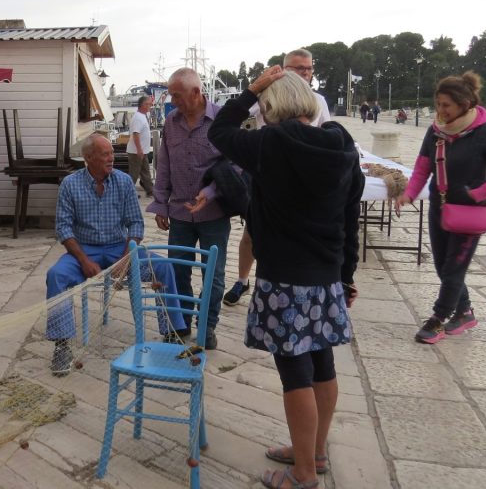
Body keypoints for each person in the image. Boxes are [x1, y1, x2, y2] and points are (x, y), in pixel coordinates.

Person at [208, 67, 363, 489]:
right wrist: (346, 276)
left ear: (270, 108)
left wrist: (250, 91)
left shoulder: (271, 143)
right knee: (323, 365)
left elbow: (219, 131)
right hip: (326, 275)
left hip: (285, 280)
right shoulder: (343, 144)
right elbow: (351, 217)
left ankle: (304, 475)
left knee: (295, 373)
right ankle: (314, 452)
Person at [46, 134, 186, 375]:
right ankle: (62, 346)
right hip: (84, 250)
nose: (111, 158)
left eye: (111, 153)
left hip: (119, 248)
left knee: (163, 268)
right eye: (105, 154)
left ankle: (172, 334)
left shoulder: (123, 182)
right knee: (56, 275)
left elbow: (135, 224)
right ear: (88, 158)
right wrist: (84, 261)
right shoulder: (70, 184)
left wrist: (126, 258)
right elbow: (63, 228)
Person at [397, 72, 486, 344]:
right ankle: (464, 311)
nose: (441, 110)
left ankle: (437, 319)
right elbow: (423, 165)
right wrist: (410, 193)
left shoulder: (485, 132)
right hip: (440, 206)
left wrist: (479, 194)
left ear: (464, 104)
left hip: (469, 212)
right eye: (438, 104)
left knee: (453, 269)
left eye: (446, 105)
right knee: (441, 266)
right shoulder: (436, 130)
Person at [224, 49, 332, 307]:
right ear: (284, 69)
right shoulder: (266, 95)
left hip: (304, 176)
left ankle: (293, 281)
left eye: (308, 68)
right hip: (267, 170)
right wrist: (258, 87)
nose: (305, 73)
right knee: (252, 229)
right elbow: (238, 114)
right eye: (298, 68)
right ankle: (242, 279)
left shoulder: (319, 100)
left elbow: (327, 131)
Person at [147, 67, 231, 350]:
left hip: (214, 214)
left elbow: (236, 165)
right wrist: (161, 203)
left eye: (176, 95)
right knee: (177, 271)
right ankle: (180, 325)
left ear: (196, 92)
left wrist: (210, 192)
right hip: (180, 213)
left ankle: (207, 327)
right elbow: (165, 163)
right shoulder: (171, 121)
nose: (173, 101)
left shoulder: (222, 119)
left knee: (214, 275)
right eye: (171, 95)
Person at [126, 95, 155, 197]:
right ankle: (128, 193)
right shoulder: (138, 118)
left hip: (142, 151)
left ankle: (150, 191)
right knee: (134, 174)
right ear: (143, 105)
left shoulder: (142, 116)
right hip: (136, 152)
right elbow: (135, 134)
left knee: (145, 172)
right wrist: (139, 150)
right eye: (148, 104)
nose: (150, 106)